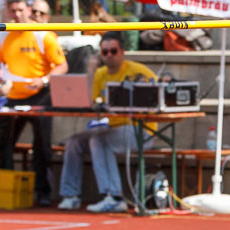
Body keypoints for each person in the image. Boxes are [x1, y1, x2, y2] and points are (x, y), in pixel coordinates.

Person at [58, 32, 157, 214]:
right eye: (105, 52)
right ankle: (70, 195)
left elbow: (157, 97)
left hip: (140, 130)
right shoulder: (100, 74)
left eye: (113, 51)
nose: (109, 55)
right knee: (74, 142)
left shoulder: (138, 72)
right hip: (109, 127)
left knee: (99, 141)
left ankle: (114, 197)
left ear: (122, 52)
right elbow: (89, 102)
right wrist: (90, 72)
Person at [0, 0, 68, 205]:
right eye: (13, 11)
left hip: (39, 94)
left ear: (28, 10)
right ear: (8, 11)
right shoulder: (2, 34)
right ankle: (6, 187)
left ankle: (43, 192)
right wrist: (0, 75)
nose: (17, 15)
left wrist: (43, 80)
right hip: (13, 95)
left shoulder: (43, 34)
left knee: (42, 144)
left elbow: (62, 66)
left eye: (20, 10)